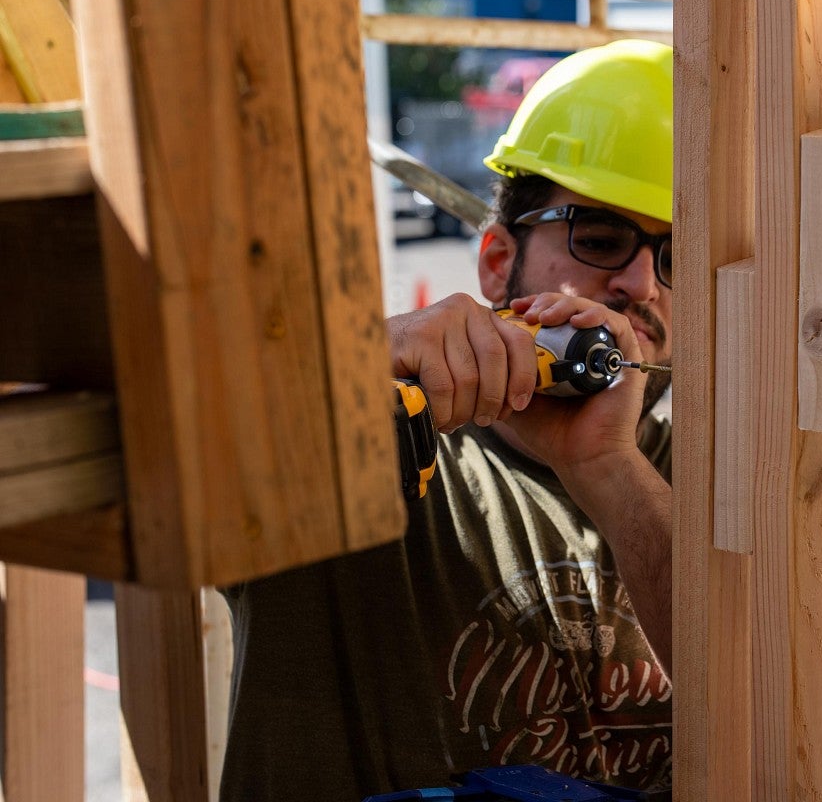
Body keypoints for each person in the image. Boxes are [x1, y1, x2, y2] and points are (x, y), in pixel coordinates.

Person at [220, 40, 676, 801]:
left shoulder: (715, 487)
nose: (640, 283)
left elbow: (768, 697)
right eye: (599, 238)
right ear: (498, 262)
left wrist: (606, 468)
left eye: (678, 256)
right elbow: (157, 433)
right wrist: (355, 363)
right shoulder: (372, 445)